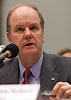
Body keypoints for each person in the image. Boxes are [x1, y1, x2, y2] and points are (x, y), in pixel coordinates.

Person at [0, 3, 71, 99]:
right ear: (9, 38)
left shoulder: (68, 68)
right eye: (20, 29)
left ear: (42, 34)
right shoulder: (2, 73)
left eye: (33, 28)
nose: (28, 34)